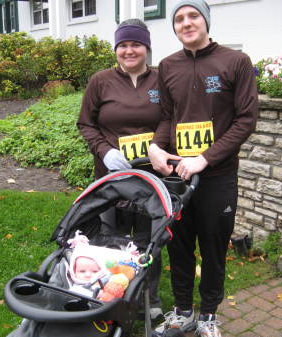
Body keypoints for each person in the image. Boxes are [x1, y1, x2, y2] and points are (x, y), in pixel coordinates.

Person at [148, 1, 258, 336]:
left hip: (217, 177)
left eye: (193, 15)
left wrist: (206, 158)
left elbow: (245, 121)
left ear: (206, 20)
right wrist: (156, 145)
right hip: (178, 176)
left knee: (213, 248)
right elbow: (168, 116)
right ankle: (182, 311)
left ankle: (208, 315)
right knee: (179, 246)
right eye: (179, 18)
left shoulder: (235, 61)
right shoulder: (168, 66)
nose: (186, 22)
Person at [77, 18, 163, 319]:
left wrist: (159, 147)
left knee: (148, 241)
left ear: (146, 48)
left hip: (151, 178)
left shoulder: (161, 80)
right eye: (123, 45)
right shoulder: (101, 81)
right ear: (116, 49)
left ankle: (149, 300)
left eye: (136, 44)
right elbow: (85, 123)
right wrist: (105, 151)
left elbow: (171, 118)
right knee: (108, 237)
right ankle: (107, 296)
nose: (129, 50)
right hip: (110, 177)